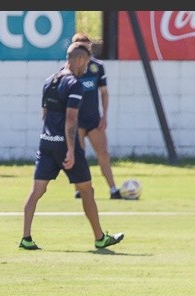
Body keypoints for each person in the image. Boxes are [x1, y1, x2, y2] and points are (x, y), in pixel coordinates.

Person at [19, 43, 124, 251]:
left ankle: (26, 238)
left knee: (36, 191)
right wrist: (70, 149)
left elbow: (45, 114)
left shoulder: (49, 81)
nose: (86, 68)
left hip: (46, 143)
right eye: (86, 63)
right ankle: (99, 237)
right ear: (79, 60)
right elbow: (71, 118)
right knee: (87, 189)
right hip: (66, 146)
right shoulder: (74, 83)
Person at [69, 32, 121, 200]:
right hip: (76, 120)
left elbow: (104, 92)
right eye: (80, 44)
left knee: (103, 153)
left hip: (93, 119)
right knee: (78, 156)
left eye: (86, 43)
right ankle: (79, 189)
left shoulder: (97, 67)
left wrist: (104, 115)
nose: (84, 46)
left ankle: (113, 189)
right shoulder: (68, 69)